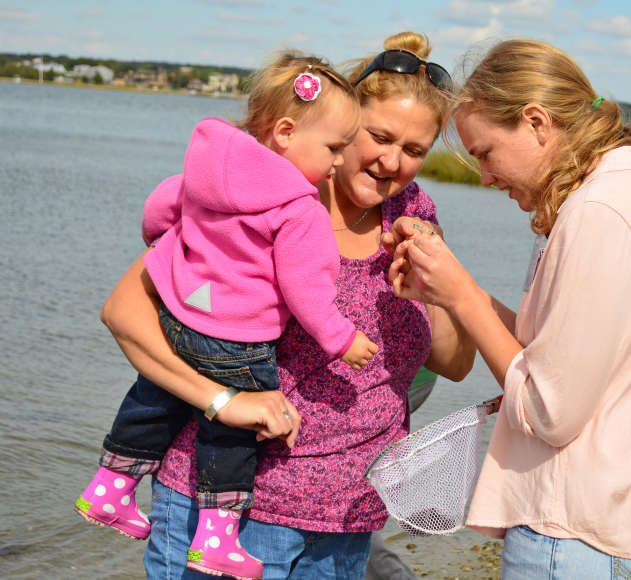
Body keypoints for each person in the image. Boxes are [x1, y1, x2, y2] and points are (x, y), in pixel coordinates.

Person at [97, 31, 475, 580]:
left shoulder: (413, 210)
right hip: (228, 515)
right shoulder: (261, 194)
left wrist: (432, 282)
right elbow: (123, 313)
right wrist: (223, 400)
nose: (392, 162)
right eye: (378, 137)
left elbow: (456, 363)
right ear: (340, 128)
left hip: (347, 522)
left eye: (415, 150)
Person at [385, 39, 631, 579]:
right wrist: (447, 284)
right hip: (610, 508)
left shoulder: (601, 214)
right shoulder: (626, 187)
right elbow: (544, 348)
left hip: (572, 529)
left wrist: (464, 297)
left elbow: (550, 412)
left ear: (536, 122)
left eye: (484, 153)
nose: (484, 176)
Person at [74, 52, 381, 580]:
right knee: (233, 435)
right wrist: (340, 339)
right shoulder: (297, 207)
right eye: (333, 148)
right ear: (286, 132)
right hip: (239, 338)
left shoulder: (208, 170)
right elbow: (305, 291)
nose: (336, 162)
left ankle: (109, 487)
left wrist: (168, 252)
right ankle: (215, 540)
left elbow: (161, 206)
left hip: (181, 314)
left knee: (155, 397)